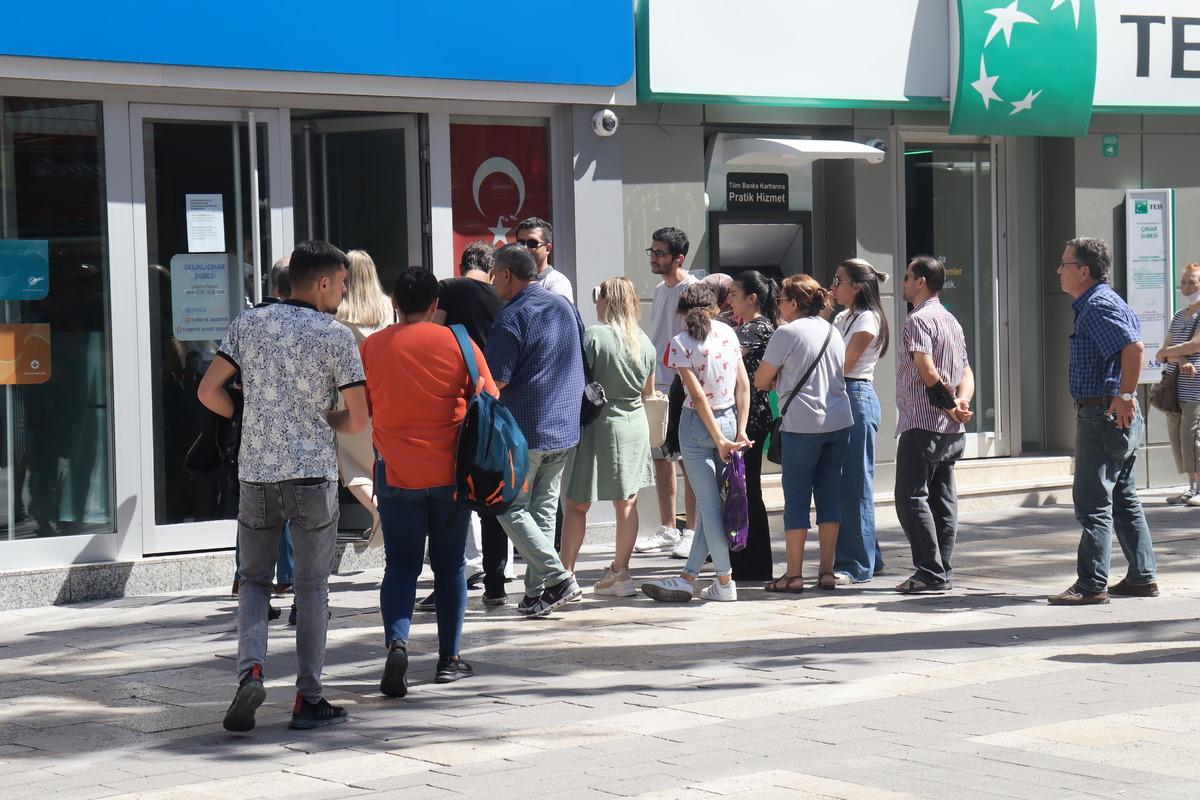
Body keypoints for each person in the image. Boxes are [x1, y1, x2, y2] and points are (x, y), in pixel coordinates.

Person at [199, 240, 367, 733]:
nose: (342, 291)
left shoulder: (248, 323)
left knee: (253, 581)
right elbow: (357, 419)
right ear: (320, 282)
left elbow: (208, 390)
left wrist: (243, 413)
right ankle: (308, 698)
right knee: (312, 587)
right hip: (312, 476)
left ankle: (250, 670)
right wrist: (324, 417)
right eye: (340, 283)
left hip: (256, 475)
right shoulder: (336, 336)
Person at [361, 267, 494, 693]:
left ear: (394, 302)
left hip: (397, 475)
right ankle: (449, 659)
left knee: (400, 564)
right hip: (451, 476)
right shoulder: (458, 342)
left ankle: (397, 644)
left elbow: (360, 406)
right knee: (450, 565)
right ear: (435, 304)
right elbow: (489, 397)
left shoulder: (373, 347)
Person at [1049, 237, 1158, 605]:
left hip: (1103, 415)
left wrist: (1124, 396)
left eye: (1065, 264)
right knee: (1123, 496)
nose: (1059, 271)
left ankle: (1090, 584)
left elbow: (1133, 348)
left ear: (1084, 270)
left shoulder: (1097, 305)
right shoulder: (1100, 303)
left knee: (1092, 499)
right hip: (1111, 413)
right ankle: (1142, 577)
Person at [485, 244, 584, 617]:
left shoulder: (512, 318)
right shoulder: (563, 306)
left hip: (525, 431)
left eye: (495, 273)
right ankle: (536, 594)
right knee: (542, 508)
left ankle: (558, 578)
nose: (493, 280)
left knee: (505, 504)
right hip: (564, 426)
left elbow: (496, 381)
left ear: (508, 274)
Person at [640, 283, 752, 603]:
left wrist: (716, 438)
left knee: (709, 507)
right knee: (709, 507)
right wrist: (738, 431)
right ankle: (689, 575)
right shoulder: (729, 334)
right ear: (716, 308)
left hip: (697, 427)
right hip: (729, 419)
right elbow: (743, 384)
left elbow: (697, 395)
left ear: (681, 313)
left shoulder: (680, 342)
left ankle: (724, 580)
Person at [420, 241, 511, 610]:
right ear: (492, 270)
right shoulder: (502, 295)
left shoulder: (446, 288)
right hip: (492, 401)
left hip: (456, 402)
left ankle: (449, 580)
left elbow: (433, 339)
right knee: (489, 490)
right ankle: (495, 583)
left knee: (454, 494)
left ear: (462, 264)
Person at [755, 275, 853, 592]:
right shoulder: (832, 330)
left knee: (796, 499)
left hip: (801, 424)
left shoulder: (787, 333)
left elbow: (760, 379)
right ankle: (826, 571)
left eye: (781, 299)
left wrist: (780, 377)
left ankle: (794, 575)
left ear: (794, 302)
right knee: (829, 498)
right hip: (839, 421)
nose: (779, 305)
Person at [560, 277, 657, 596]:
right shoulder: (644, 342)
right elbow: (649, 392)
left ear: (607, 301)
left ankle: (566, 575)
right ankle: (621, 572)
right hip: (634, 422)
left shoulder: (594, 335)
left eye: (599, 297)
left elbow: (577, 380)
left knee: (576, 502)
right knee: (627, 503)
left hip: (598, 423)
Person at [892, 256, 974, 595]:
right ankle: (941, 568)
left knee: (910, 498)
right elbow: (966, 371)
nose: (903, 283)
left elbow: (927, 372)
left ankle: (929, 571)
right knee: (942, 500)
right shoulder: (951, 320)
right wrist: (962, 402)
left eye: (907, 277)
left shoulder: (918, 320)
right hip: (950, 430)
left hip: (923, 424)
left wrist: (951, 405)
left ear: (921, 281)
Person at [636, 227, 699, 558]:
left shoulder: (693, 289)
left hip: (684, 386)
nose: (654, 257)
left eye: (660, 253)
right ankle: (668, 528)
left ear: (679, 258)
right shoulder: (660, 290)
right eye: (652, 251)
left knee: (688, 460)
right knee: (662, 458)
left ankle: (691, 530)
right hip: (658, 384)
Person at [830, 258, 890, 585]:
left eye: (839, 280)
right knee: (845, 482)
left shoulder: (868, 318)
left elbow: (843, 362)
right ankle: (870, 556)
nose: (833, 286)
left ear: (856, 285)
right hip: (840, 397)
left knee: (855, 483)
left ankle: (855, 564)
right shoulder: (843, 316)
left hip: (855, 395)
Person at [334, 250, 393, 540]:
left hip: (348, 399)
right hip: (385, 398)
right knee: (379, 461)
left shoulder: (337, 312)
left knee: (349, 465)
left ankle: (378, 509)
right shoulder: (389, 308)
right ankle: (385, 509)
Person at [726, 270, 778, 582]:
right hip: (747, 417)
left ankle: (754, 563)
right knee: (744, 488)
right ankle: (749, 561)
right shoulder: (748, 326)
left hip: (752, 419)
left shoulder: (758, 328)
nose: (729, 300)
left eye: (734, 294)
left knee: (747, 489)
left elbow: (727, 353)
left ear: (752, 298)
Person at [1154, 262, 1200, 506]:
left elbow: (1195, 345)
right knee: (1179, 438)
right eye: (1183, 282)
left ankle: (1199, 488)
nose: (1186, 286)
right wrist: (1180, 358)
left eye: (1192, 281)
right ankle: (1192, 487)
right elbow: (1163, 353)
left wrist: (1171, 352)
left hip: (1196, 387)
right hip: (1176, 387)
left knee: (1192, 436)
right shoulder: (1179, 316)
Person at [514, 217, 573, 303]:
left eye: (532, 243)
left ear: (547, 249)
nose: (525, 248)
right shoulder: (511, 281)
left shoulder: (557, 283)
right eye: (521, 243)